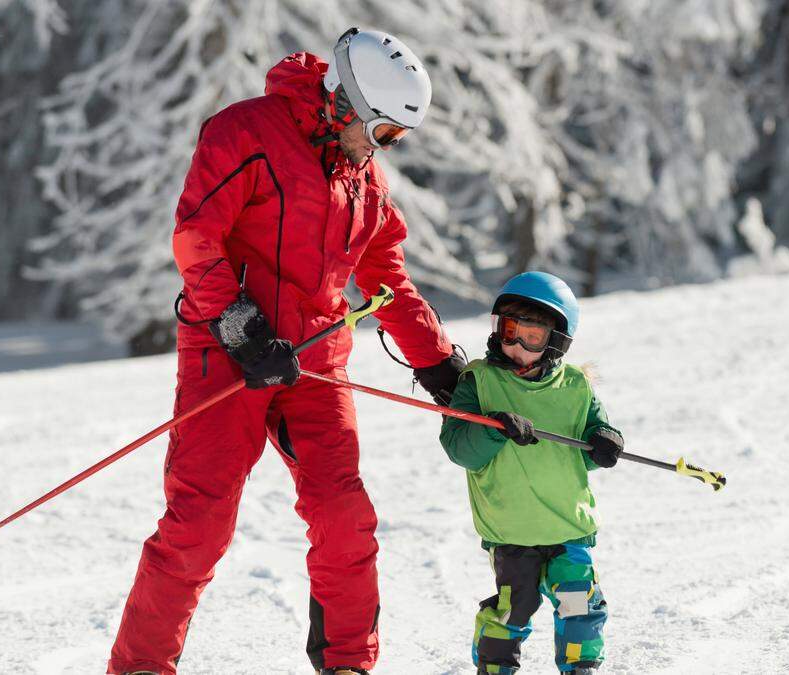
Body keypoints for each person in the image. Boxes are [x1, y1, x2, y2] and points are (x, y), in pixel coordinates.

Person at [107, 28, 466, 675]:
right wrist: (242, 326)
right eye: (382, 132)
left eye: (396, 140)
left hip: (316, 362)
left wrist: (439, 364)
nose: (383, 150)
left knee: (345, 515)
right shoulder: (246, 132)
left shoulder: (365, 184)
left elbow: (388, 281)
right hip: (229, 351)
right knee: (200, 524)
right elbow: (196, 237)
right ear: (346, 102)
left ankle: (348, 664)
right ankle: (140, 666)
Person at [439, 272, 625, 675]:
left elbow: (589, 449)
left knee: (578, 600)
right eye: (509, 330)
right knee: (514, 606)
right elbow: (459, 449)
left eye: (532, 336)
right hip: (511, 531)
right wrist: (494, 429)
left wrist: (606, 442)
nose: (517, 344)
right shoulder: (479, 381)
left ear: (556, 340)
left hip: (567, 525)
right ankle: (495, 666)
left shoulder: (576, 386)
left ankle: (581, 666)